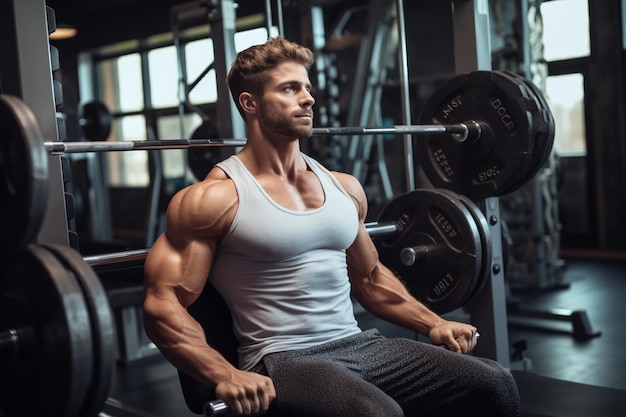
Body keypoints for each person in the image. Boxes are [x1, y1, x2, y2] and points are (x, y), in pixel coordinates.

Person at [143, 37, 520, 417]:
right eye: (290, 89)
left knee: (494, 384)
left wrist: (434, 323)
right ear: (250, 103)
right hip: (283, 360)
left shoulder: (343, 187)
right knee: (376, 413)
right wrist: (223, 373)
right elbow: (163, 305)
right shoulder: (216, 199)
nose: (308, 99)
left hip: (360, 344)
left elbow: (370, 278)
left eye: (307, 88)